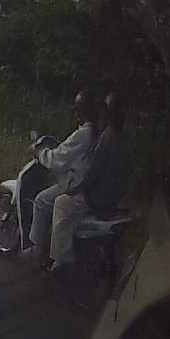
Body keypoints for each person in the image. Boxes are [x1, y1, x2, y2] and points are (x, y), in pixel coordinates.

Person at [46, 92, 133, 271]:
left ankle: (61, 259)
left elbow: (93, 173)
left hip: (98, 197)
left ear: (108, 113)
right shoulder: (124, 138)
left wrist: (75, 190)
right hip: (115, 196)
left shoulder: (106, 137)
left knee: (61, 203)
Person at [27, 91, 98, 256]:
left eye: (77, 111)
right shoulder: (96, 131)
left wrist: (40, 153)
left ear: (80, 112)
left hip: (75, 183)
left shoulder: (83, 134)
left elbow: (58, 159)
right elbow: (68, 152)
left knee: (41, 200)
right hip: (85, 182)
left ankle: (37, 249)